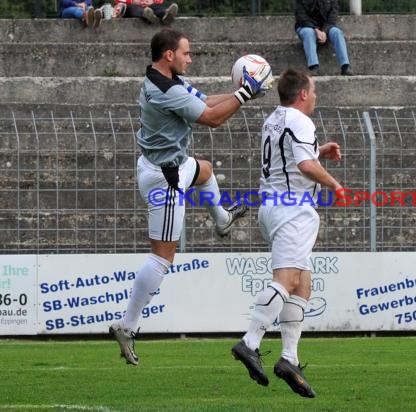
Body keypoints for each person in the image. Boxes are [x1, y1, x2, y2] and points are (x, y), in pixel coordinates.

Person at [109, 28, 272, 366]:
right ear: (169, 55)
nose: (190, 57)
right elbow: (211, 118)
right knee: (161, 258)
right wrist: (244, 95)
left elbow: (207, 102)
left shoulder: (164, 79)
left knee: (206, 170)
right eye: (186, 52)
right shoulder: (165, 90)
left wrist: (240, 92)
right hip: (165, 180)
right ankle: (128, 324)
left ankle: (223, 219)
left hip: (169, 164)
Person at [231, 68, 342, 398]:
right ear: (303, 94)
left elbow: (291, 157)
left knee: (303, 284)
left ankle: (289, 359)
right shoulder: (300, 121)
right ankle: (250, 342)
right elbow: (304, 167)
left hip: (275, 205)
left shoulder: (274, 119)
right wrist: (335, 184)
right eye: (315, 91)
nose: (316, 96)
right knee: (288, 279)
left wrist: (319, 151)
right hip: (291, 208)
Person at [294, 0, 353, 76]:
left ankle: (345, 66)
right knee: (309, 33)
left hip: (326, 27)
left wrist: (324, 31)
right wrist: (315, 29)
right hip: (306, 26)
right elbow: (301, 16)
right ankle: (313, 67)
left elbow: (333, 17)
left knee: (337, 32)